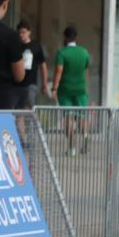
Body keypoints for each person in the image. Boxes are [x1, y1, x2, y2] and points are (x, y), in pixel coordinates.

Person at [51, 26, 91, 155]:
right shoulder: (84, 52)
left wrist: (54, 88)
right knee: (81, 116)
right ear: (76, 37)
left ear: (65, 37)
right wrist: (86, 87)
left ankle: (71, 148)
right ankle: (85, 143)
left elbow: (59, 71)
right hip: (81, 90)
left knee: (68, 117)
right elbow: (86, 71)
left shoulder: (62, 53)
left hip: (65, 90)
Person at [11, 19, 48, 110]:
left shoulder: (36, 46)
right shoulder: (15, 46)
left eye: (23, 32)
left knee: (29, 105)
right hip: (16, 84)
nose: (21, 35)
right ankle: (22, 120)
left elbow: (43, 65)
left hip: (30, 83)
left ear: (29, 32)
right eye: (19, 33)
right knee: (17, 110)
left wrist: (44, 83)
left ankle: (33, 120)